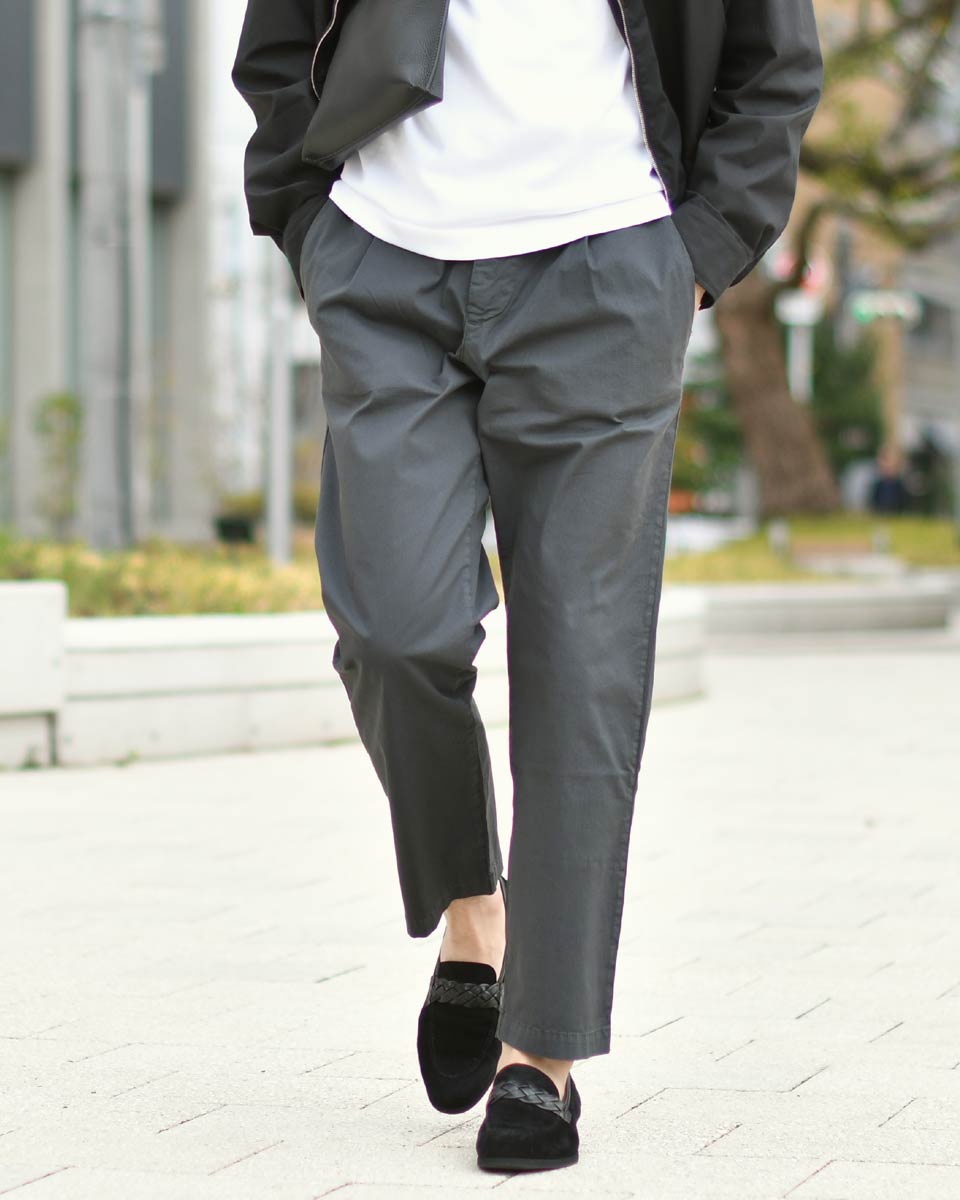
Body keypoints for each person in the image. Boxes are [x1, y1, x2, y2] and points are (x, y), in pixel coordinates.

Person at [233, 0, 822, 1173]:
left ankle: (541, 1053)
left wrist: (699, 253)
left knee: (582, 667)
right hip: (385, 256)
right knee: (394, 628)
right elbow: (278, 43)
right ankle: (476, 916)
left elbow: (775, 66)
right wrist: (307, 216)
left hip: (609, 268)